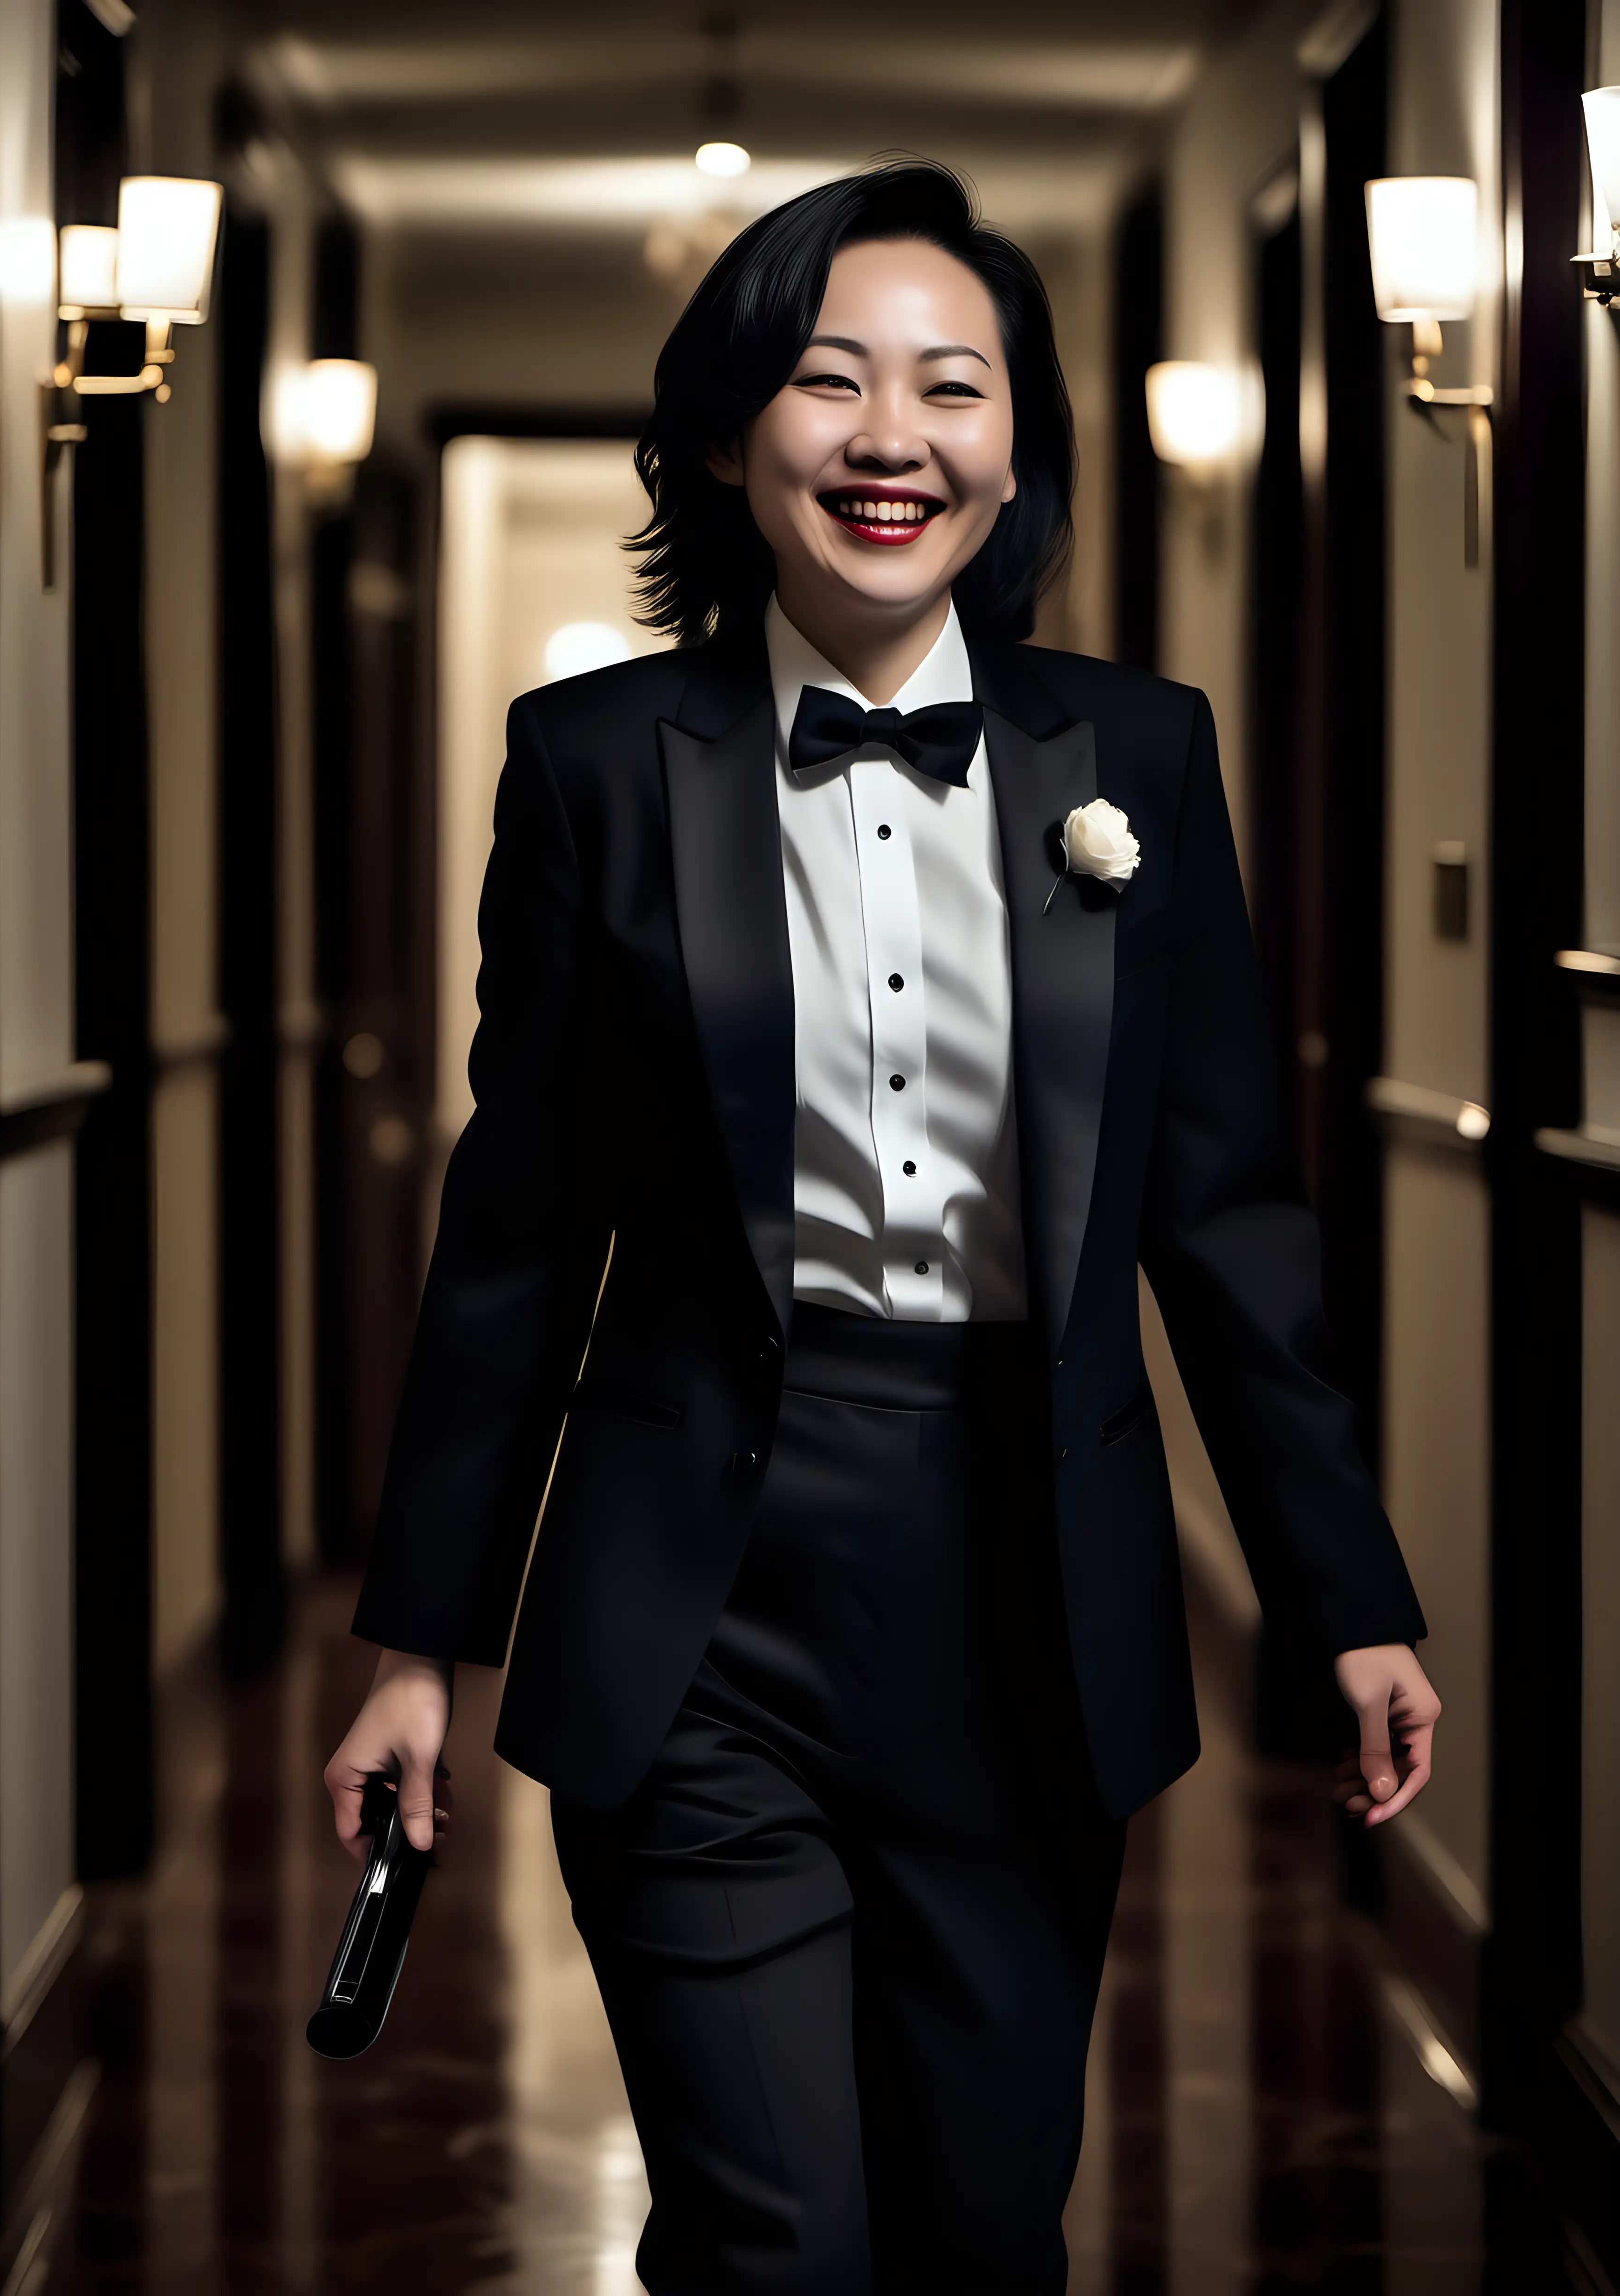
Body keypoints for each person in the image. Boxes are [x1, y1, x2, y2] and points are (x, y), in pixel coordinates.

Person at [325, 161, 1439, 2295]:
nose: (889, 437)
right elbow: (517, 1227)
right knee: (773, 2236)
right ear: (733, 429)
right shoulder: (590, 764)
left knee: (976, 2228)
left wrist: (1346, 1591)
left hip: (1024, 1591)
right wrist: (417, 1643)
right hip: (695, 1602)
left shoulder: (1137, 756)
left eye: (952, 385)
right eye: (827, 381)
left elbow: (1223, 1215)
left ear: (1017, 443)